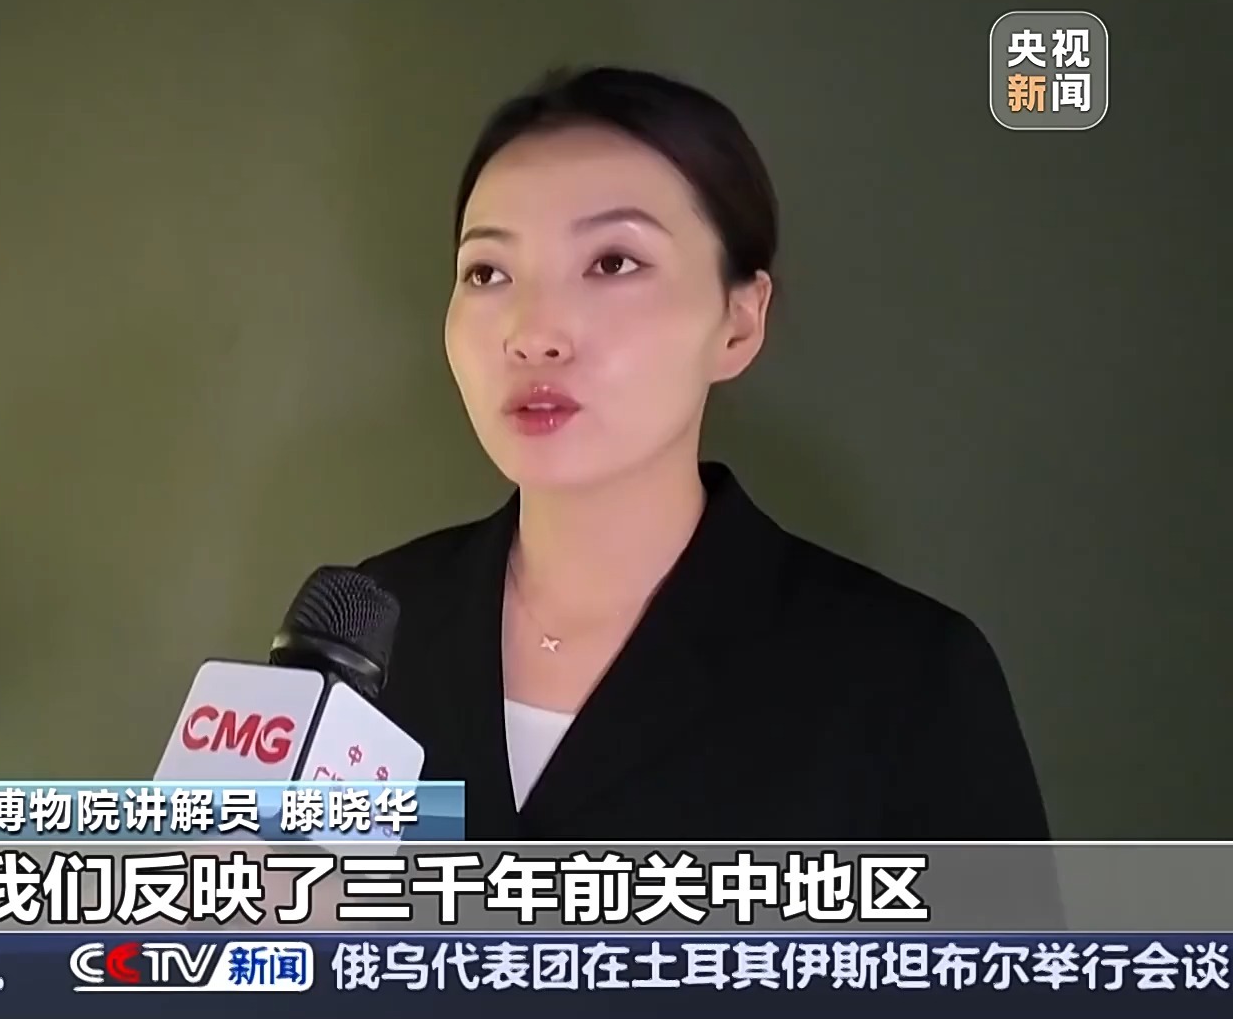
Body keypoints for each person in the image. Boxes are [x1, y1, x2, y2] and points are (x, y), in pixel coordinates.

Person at [358, 67, 1051, 841]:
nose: (533, 334)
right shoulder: (366, 626)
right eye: (487, 272)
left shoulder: (906, 678)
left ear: (739, 323)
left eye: (613, 263)